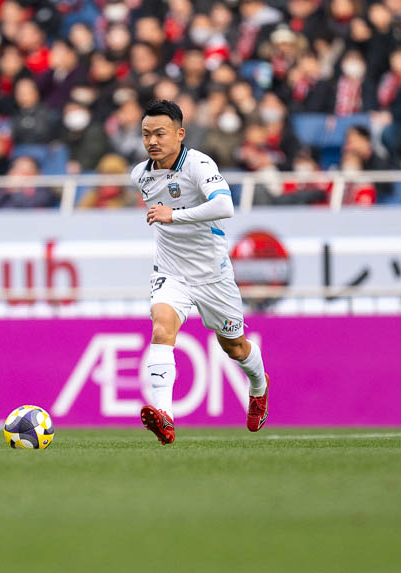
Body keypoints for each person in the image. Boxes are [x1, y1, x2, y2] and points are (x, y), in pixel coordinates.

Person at [130, 100, 270, 445]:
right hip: (171, 272)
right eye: (146, 134)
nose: (152, 141)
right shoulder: (140, 174)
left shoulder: (198, 164)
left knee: (235, 348)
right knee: (161, 328)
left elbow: (225, 205)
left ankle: (259, 386)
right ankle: (165, 415)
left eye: (160, 133)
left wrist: (173, 215)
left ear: (180, 134)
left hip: (212, 275)